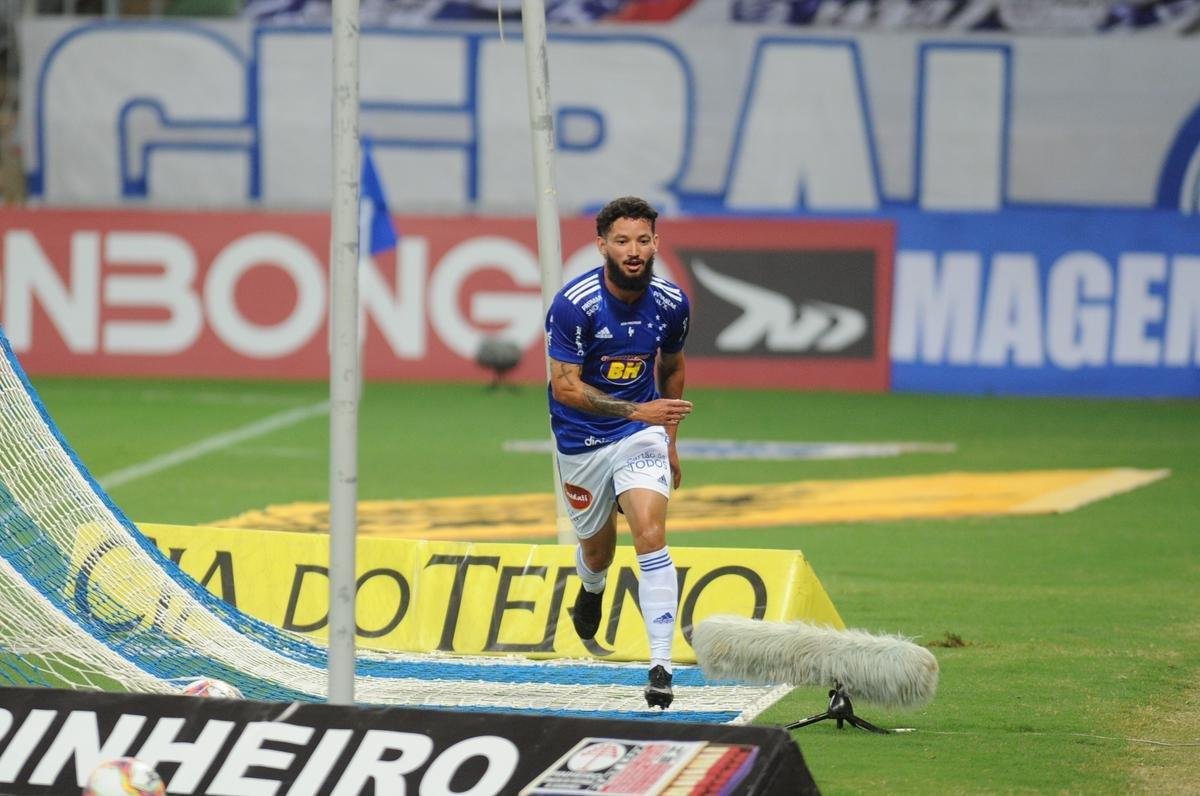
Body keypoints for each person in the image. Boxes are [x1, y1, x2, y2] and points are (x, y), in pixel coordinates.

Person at [545, 196, 693, 709]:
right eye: (623, 241)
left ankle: (661, 666)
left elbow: (672, 366)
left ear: (656, 243)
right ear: (602, 244)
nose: (634, 251)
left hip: (641, 435)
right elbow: (564, 387)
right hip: (581, 441)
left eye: (643, 240)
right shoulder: (574, 304)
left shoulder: (672, 303)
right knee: (597, 548)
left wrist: (667, 438)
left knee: (650, 532)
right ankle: (591, 587)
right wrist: (637, 414)